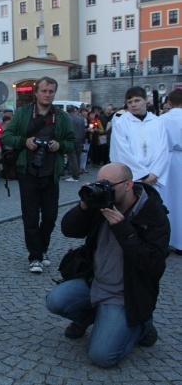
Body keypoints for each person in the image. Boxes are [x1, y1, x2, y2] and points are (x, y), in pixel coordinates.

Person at [46, 162, 169, 368]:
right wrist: (84, 207)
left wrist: (123, 228)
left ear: (129, 184)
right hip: (95, 281)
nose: (103, 188)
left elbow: (154, 264)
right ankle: (90, 318)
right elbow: (69, 230)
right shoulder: (102, 202)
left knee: (102, 357)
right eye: (100, 182)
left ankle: (142, 325)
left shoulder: (152, 214)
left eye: (109, 184)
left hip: (126, 292)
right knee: (55, 301)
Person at [1, 76, 75, 274]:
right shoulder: (24, 114)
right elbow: (7, 136)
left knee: (50, 217)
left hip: (51, 173)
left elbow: (71, 142)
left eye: (51, 91)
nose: (47, 94)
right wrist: (25, 141)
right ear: (36, 92)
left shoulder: (61, 117)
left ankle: (42, 249)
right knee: (31, 217)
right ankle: (35, 256)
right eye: (44, 91)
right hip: (28, 172)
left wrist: (60, 146)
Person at [110, 87, 169, 194]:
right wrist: (143, 174)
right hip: (133, 177)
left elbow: (163, 150)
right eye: (130, 102)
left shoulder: (157, 122)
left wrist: (154, 173)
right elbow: (122, 151)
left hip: (154, 177)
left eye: (137, 100)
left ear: (146, 100)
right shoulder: (121, 123)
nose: (133, 105)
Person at [160, 89, 181, 255]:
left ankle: (168, 238)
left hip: (169, 160)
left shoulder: (163, 120)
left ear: (169, 103)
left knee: (169, 199)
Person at [65, 105, 86, 182]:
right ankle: (77, 173)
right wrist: (83, 140)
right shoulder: (81, 118)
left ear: (67, 110)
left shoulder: (67, 118)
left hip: (71, 140)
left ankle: (75, 176)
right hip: (79, 140)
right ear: (74, 110)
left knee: (72, 158)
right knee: (78, 157)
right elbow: (84, 131)